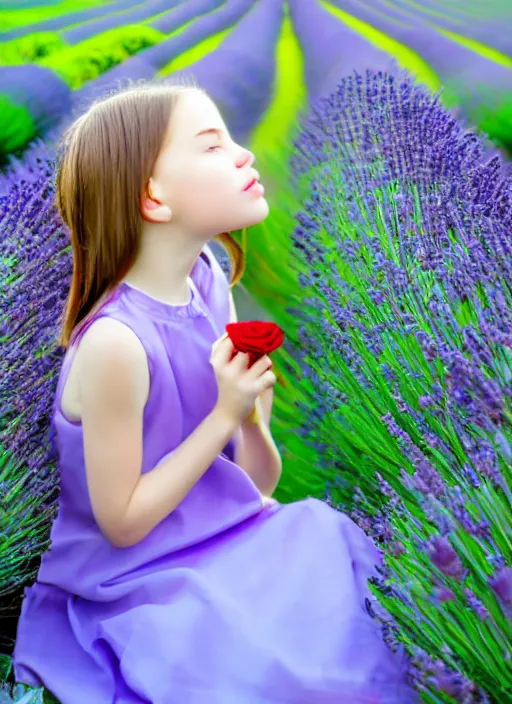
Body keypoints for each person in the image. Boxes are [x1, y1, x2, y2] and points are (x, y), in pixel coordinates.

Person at [12, 81, 417, 704]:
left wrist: (251, 421)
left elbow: (255, 489)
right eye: (212, 145)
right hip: (137, 579)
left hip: (229, 540)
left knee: (341, 572)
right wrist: (221, 416)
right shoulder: (116, 344)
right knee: (269, 668)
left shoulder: (209, 283)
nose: (244, 155)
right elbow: (121, 525)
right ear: (153, 197)